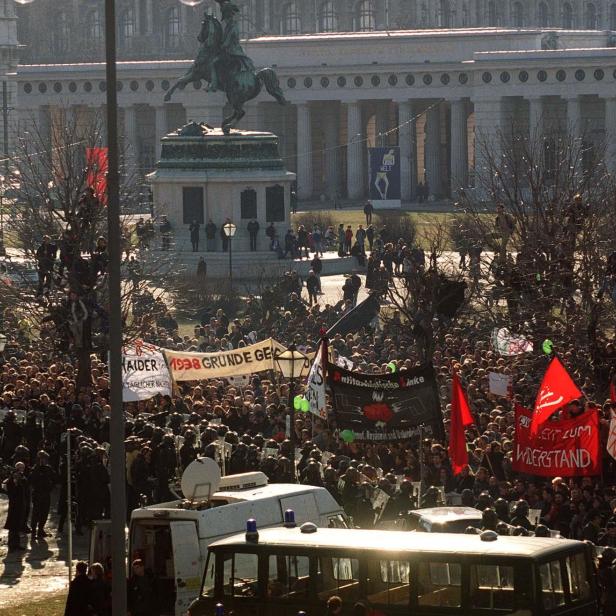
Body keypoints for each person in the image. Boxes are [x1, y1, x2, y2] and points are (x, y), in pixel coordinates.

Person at [29, 450, 57, 539]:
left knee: (44, 512)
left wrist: (50, 487)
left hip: (46, 493)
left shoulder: (48, 468)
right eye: (42, 459)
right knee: (36, 512)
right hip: (37, 493)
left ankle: (41, 529)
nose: (44, 461)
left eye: (45, 459)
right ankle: (33, 530)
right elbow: (31, 479)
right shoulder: (35, 469)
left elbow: (55, 478)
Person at [3, 462, 28, 551]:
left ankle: (16, 544)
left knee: (18, 525)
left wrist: (19, 480)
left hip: (21, 505)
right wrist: (15, 481)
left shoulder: (21, 477)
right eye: (20, 468)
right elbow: (10, 491)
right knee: (13, 526)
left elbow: (25, 484)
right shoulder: (11, 479)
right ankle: (11, 545)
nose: (22, 470)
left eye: (22, 468)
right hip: (14, 505)